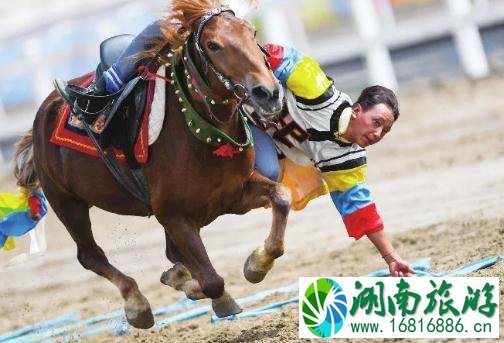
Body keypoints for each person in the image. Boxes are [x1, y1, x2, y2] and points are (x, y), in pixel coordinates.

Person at [55, 19, 415, 277]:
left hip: (248, 131)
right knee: (163, 28)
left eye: (386, 129)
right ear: (357, 110)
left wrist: (391, 256)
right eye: (377, 122)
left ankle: (181, 230)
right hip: (233, 97)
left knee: (269, 174)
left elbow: (361, 210)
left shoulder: (347, 158)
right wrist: (245, 58)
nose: (379, 133)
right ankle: (105, 87)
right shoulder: (316, 88)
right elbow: (272, 54)